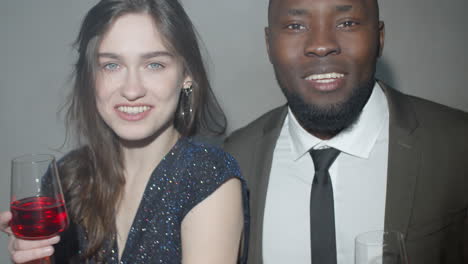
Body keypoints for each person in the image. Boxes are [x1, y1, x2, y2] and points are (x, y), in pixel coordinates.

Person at [0, 0, 249, 263]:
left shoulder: (206, 176)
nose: (131, 90)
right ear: (90, 77)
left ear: (186, 74)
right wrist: (35, 259)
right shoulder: (66, 178)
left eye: (154, 64)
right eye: (111, 65)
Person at [224, 0, 468, 263]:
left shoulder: (458, 146)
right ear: (269, 44)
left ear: (379, 38)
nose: (321, 45)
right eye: (295, 25)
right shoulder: (233, 161)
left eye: (347, 23)